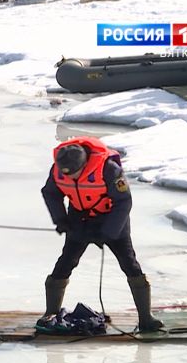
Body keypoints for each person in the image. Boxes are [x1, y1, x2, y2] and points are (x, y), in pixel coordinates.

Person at [40, 136, 164, 332]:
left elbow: (124, 202)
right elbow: (51, 193)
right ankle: (51, 315)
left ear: (84, 165)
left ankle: (146, 319)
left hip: (112, 217)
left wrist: (110, 232)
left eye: (74, 174)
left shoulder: (109, 169)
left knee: (129, 264)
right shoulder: (58, 169)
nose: (70, 178)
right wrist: (61, 220)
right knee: (66, 262)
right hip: (79, 219)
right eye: (67, 174)